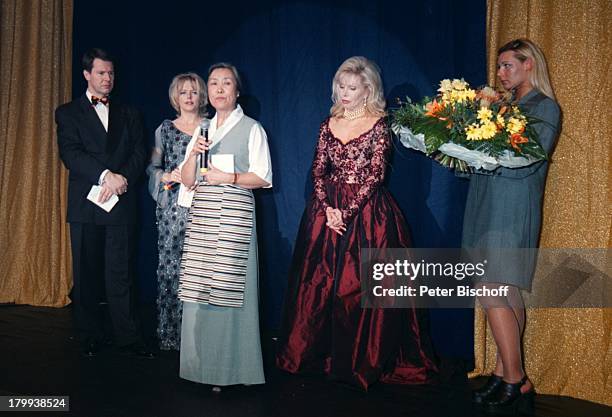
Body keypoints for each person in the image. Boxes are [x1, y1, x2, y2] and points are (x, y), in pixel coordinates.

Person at [276, 56, 437, 390]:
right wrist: (328, 209)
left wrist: (345, 213)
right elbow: (318, 170)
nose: (345, 93)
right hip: (326, 213)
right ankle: (315, 355)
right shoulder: (328, 123)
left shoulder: (379, 124)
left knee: (360, 289)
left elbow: (376, 175)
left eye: (352, 87)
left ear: (368, 89)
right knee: (317, 285)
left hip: (368, 215)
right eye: (341, 87)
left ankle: (359, 359)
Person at [464, 39, 561, 414]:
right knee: (504, 289)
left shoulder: (545, 106)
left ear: (529, 65)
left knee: (491, 288)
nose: (501, 73)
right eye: (500, 67)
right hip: (486, 203)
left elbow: (531, 158)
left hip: (512, 206)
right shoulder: (503, 106)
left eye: (508, 66)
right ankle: (509, 372)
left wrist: (487, 155)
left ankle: (513, 377)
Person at [178, 63, 272, 389]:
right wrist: (193, 155)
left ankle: (228, 371)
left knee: (227, 293)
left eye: (226, 83)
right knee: (199, 292)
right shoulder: (202, 130)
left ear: (236, 90)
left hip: (234, 219)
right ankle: (198, 368)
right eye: (214, 83)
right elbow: (187, 180)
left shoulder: (252, 128)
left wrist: (228, 177)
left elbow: (262, 177)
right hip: (203, 218)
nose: (219, 89)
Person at [55, 48, 153, 358]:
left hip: (121, 202)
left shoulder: (130, 112)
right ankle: (90, 335)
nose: (107, 78)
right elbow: (70, 154)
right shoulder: (67, 112)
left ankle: (129, 336)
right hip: (86, 204)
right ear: (86, 74)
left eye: (110, 73)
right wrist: (105, 175)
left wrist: (121, 179)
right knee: (86, 274)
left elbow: (140, 153)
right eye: (101, 73)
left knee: (120, 272)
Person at [146, 73, 207, 351]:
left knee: (202, 271)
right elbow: (152, 168)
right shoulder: (165, 129)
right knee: (172, 269)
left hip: (204, 204)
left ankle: (200, 338)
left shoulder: (210, 127)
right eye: (184, 93)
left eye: (194, 92)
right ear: (176, 97)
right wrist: (165, 176)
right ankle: (171, 336)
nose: (189, 97)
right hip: (172, 209)